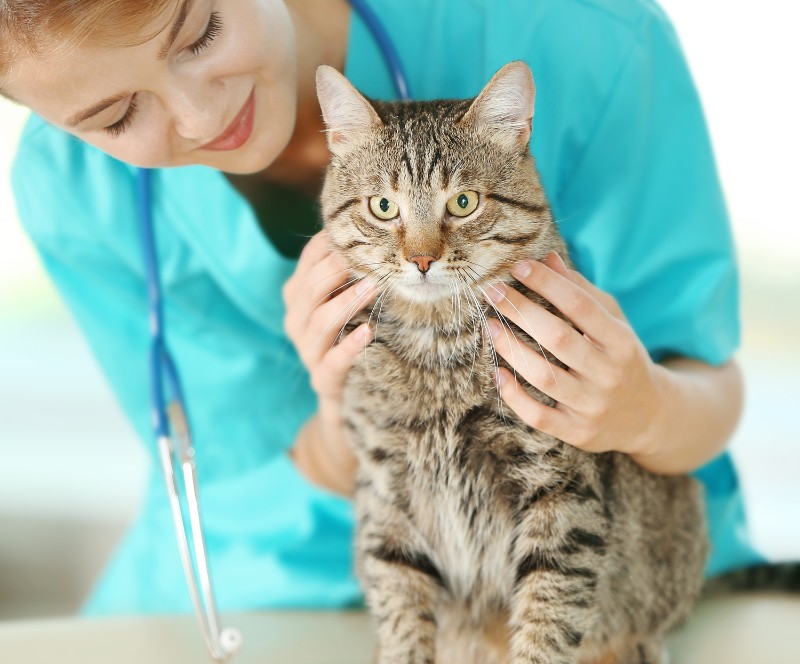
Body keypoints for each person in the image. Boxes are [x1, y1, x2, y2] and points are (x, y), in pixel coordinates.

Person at [0, 0, 762, 615]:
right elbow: (231, 486)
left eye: (200, 32)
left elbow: (709, 384)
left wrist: (640, 409)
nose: (199, 117)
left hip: (589, 588)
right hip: (260, 603)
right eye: (114, 116)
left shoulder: (584, 34)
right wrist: (343, 419)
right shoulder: (69, 184)